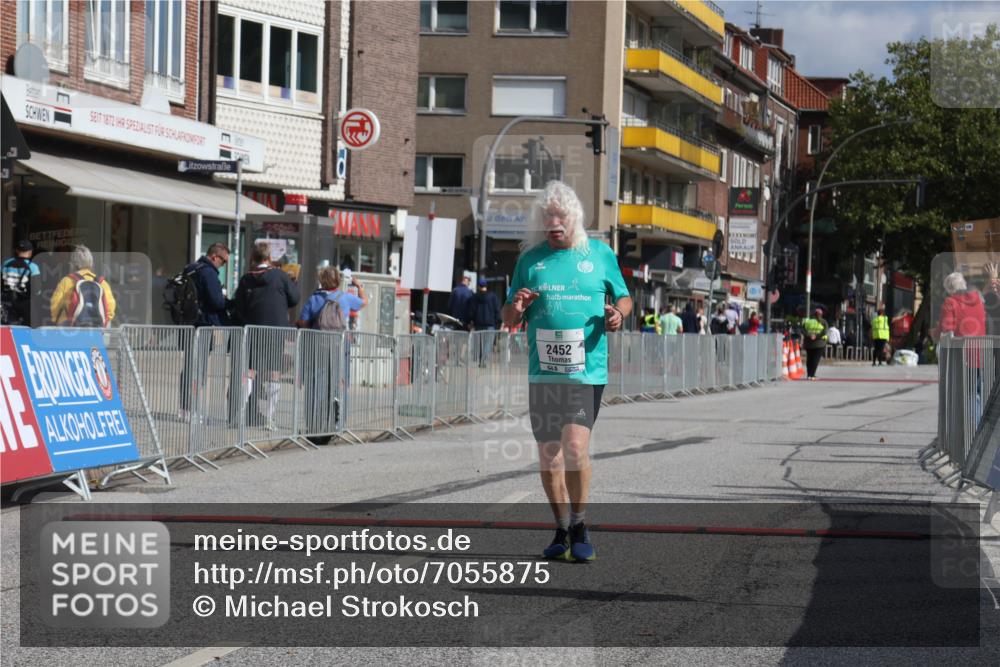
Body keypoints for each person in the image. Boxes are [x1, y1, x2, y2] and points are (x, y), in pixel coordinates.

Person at [501, 181, 632, 563]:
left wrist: (619, 313)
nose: (553, 223)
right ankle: (560, 528)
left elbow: (623, 295)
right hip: (544, 373)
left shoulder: (599, 254)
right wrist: (519, 306)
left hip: (585, 372)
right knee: (550, 456)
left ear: (574, 218)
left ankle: (580, 522)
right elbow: (508, 315)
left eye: (560, 216)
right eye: (547, 217)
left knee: (575, 448)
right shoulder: (530, 260)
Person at [295, 266, 367, 443]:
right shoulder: (345, 298)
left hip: (317, 347)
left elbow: (302, 322)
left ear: (321, 280)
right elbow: (363, 303)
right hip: (340, 347)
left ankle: (314, 425)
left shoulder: (314, 299)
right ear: (338, 280)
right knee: (339, 384)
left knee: (316, 386)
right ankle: (338, 423)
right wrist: (359, 286)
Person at [233, 242, 300, 429]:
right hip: (276, 330)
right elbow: (294, 298)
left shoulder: (246, 279)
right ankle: (270, 418)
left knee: (250, 371)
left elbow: (239, 305)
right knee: (274, 372)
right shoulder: (280, 276)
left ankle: (240, 413)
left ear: (254, 257)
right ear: (269, 257)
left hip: (253, 328)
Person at [50, 245, 116, 327]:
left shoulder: (66, 281)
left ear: (73, 263)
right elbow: (110, 309)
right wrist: (104, 322)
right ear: (91, 262)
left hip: (69, 328)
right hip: (96, 328)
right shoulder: (102, 283)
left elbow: (55, 305)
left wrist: (56, 319)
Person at [1, 240, 41, 325]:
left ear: (16, 251)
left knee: (7, 331)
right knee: (27, 332)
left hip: (7, 303)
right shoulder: (33, 267)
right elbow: (37, 290)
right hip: (26, 306)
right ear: (30, 252)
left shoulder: (5, 264)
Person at [466, 278, 502, 365]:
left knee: (479, 343)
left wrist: (470, 321)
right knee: (488, 343)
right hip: (490, 324)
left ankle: (480, 360)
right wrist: (498, 322)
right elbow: (497, 310)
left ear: (478, 286)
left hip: (478, 324)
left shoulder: (474, 297)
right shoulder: (493, 296)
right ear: (486, 286)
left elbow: (471, 311)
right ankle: (484, 361)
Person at [801, 308, 829, 380]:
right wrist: (816, 336)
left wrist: (809, 335)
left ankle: (809, 374)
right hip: (819, 344)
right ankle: (812, 375)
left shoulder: (807, 321)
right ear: (821, 314)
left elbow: (803, 330)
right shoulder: (823, 322)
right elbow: (824, 332)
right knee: (815, 359)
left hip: (808, 343)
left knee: (809, 359)